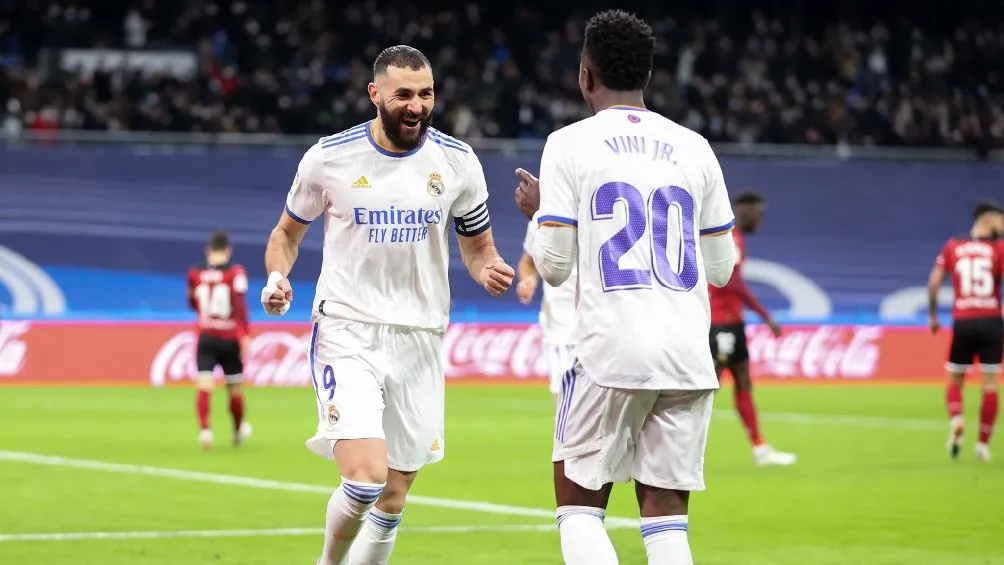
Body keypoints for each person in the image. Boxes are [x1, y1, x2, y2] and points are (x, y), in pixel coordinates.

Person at [259, 45, 514, 565]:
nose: (416, 106)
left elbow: (478, 246)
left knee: (394, 499)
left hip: (420, 337)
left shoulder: (459, 163)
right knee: (366, 479)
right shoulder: (330, 157)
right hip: (348, 330)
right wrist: (276, 276)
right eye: (404, 95)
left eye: (426, 95)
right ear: (375, 94)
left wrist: (487, 267)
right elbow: (286, 233)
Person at [515, 10, 737, 564]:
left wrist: (544, 214)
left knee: (580, 509)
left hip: (609, 352)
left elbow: (556, 266)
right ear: (648, 75)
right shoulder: (696, 147)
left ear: (585, 74)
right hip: (688, 356)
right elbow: (721, 268)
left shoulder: (568, 144)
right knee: (666, 521)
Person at [707, 190, 796, 466]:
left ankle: (759, 447)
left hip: (732, 321)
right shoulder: (731, 236)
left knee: (742, 381)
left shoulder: (736, 237)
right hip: (720, 321)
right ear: (745, 211)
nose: (761, 218)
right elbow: (732, 283)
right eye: (759, 212)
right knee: (707, 387)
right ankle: (674, 448)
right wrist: (765, 315)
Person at [928, 200, 1004, 462]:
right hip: (992, 320)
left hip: (963, 320)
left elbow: (934, 282)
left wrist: (933, 315)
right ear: (988, 218)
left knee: (955, 379)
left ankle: (958, 417)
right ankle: (983, 445)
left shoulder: (953, 246)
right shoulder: (998, 249)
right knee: (991, 385)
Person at [186, 229, 252, 450]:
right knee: (234, 387)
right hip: (229, 336)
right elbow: (240, 305)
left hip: (205, 335)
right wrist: (245, 335)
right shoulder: (236, 272)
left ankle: (205, 432)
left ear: (208, 250)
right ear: (228, 250)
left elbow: (192, 302)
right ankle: (237, 431)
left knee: (204, 385)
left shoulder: (195, 272)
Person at [516, 210, 577, 404]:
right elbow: (528, 262)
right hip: (561, 325)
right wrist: (528, 279)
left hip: (599, 324)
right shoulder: (542, 217)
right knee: (564, 400)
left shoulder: (600, 210)